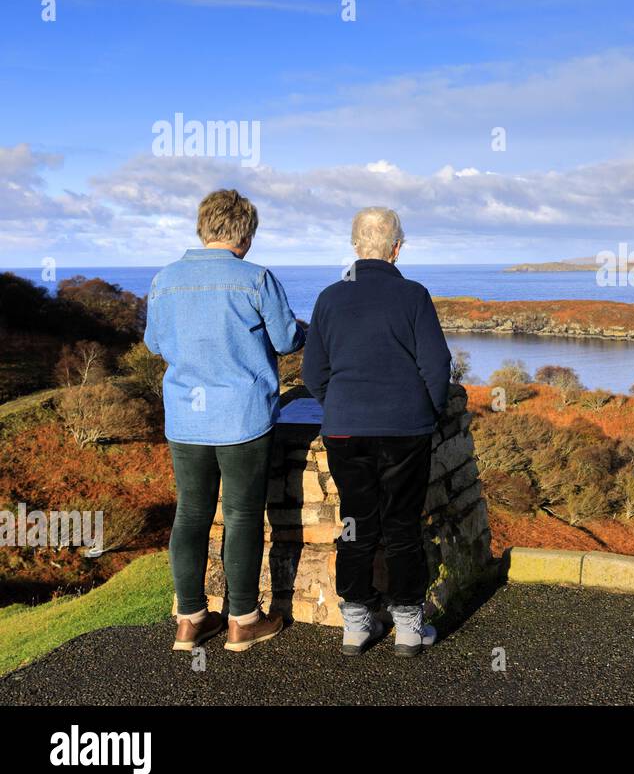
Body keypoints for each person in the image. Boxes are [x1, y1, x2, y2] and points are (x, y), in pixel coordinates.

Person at [144, 188, 305, 652]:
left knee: (190, 514)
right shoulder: (255, 279)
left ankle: (190, 620)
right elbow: (287, 338)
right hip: (242, 417)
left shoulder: (165, 279)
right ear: (246, 234)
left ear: (203, 226)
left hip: (186, 420)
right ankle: (242, 621)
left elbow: (155, 344)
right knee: (242, 516)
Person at [301, 207, 452, 657]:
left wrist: (341, 406)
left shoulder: (329, 297)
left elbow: (313, 372)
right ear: (397, 247)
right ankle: (407, 627)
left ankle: (355, 625)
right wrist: (432, 411)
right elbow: (437, 364)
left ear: (355, 246)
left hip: (346, 430)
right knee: (403, 523)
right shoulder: (413, 295)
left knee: (354, 523)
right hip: (406, 429)